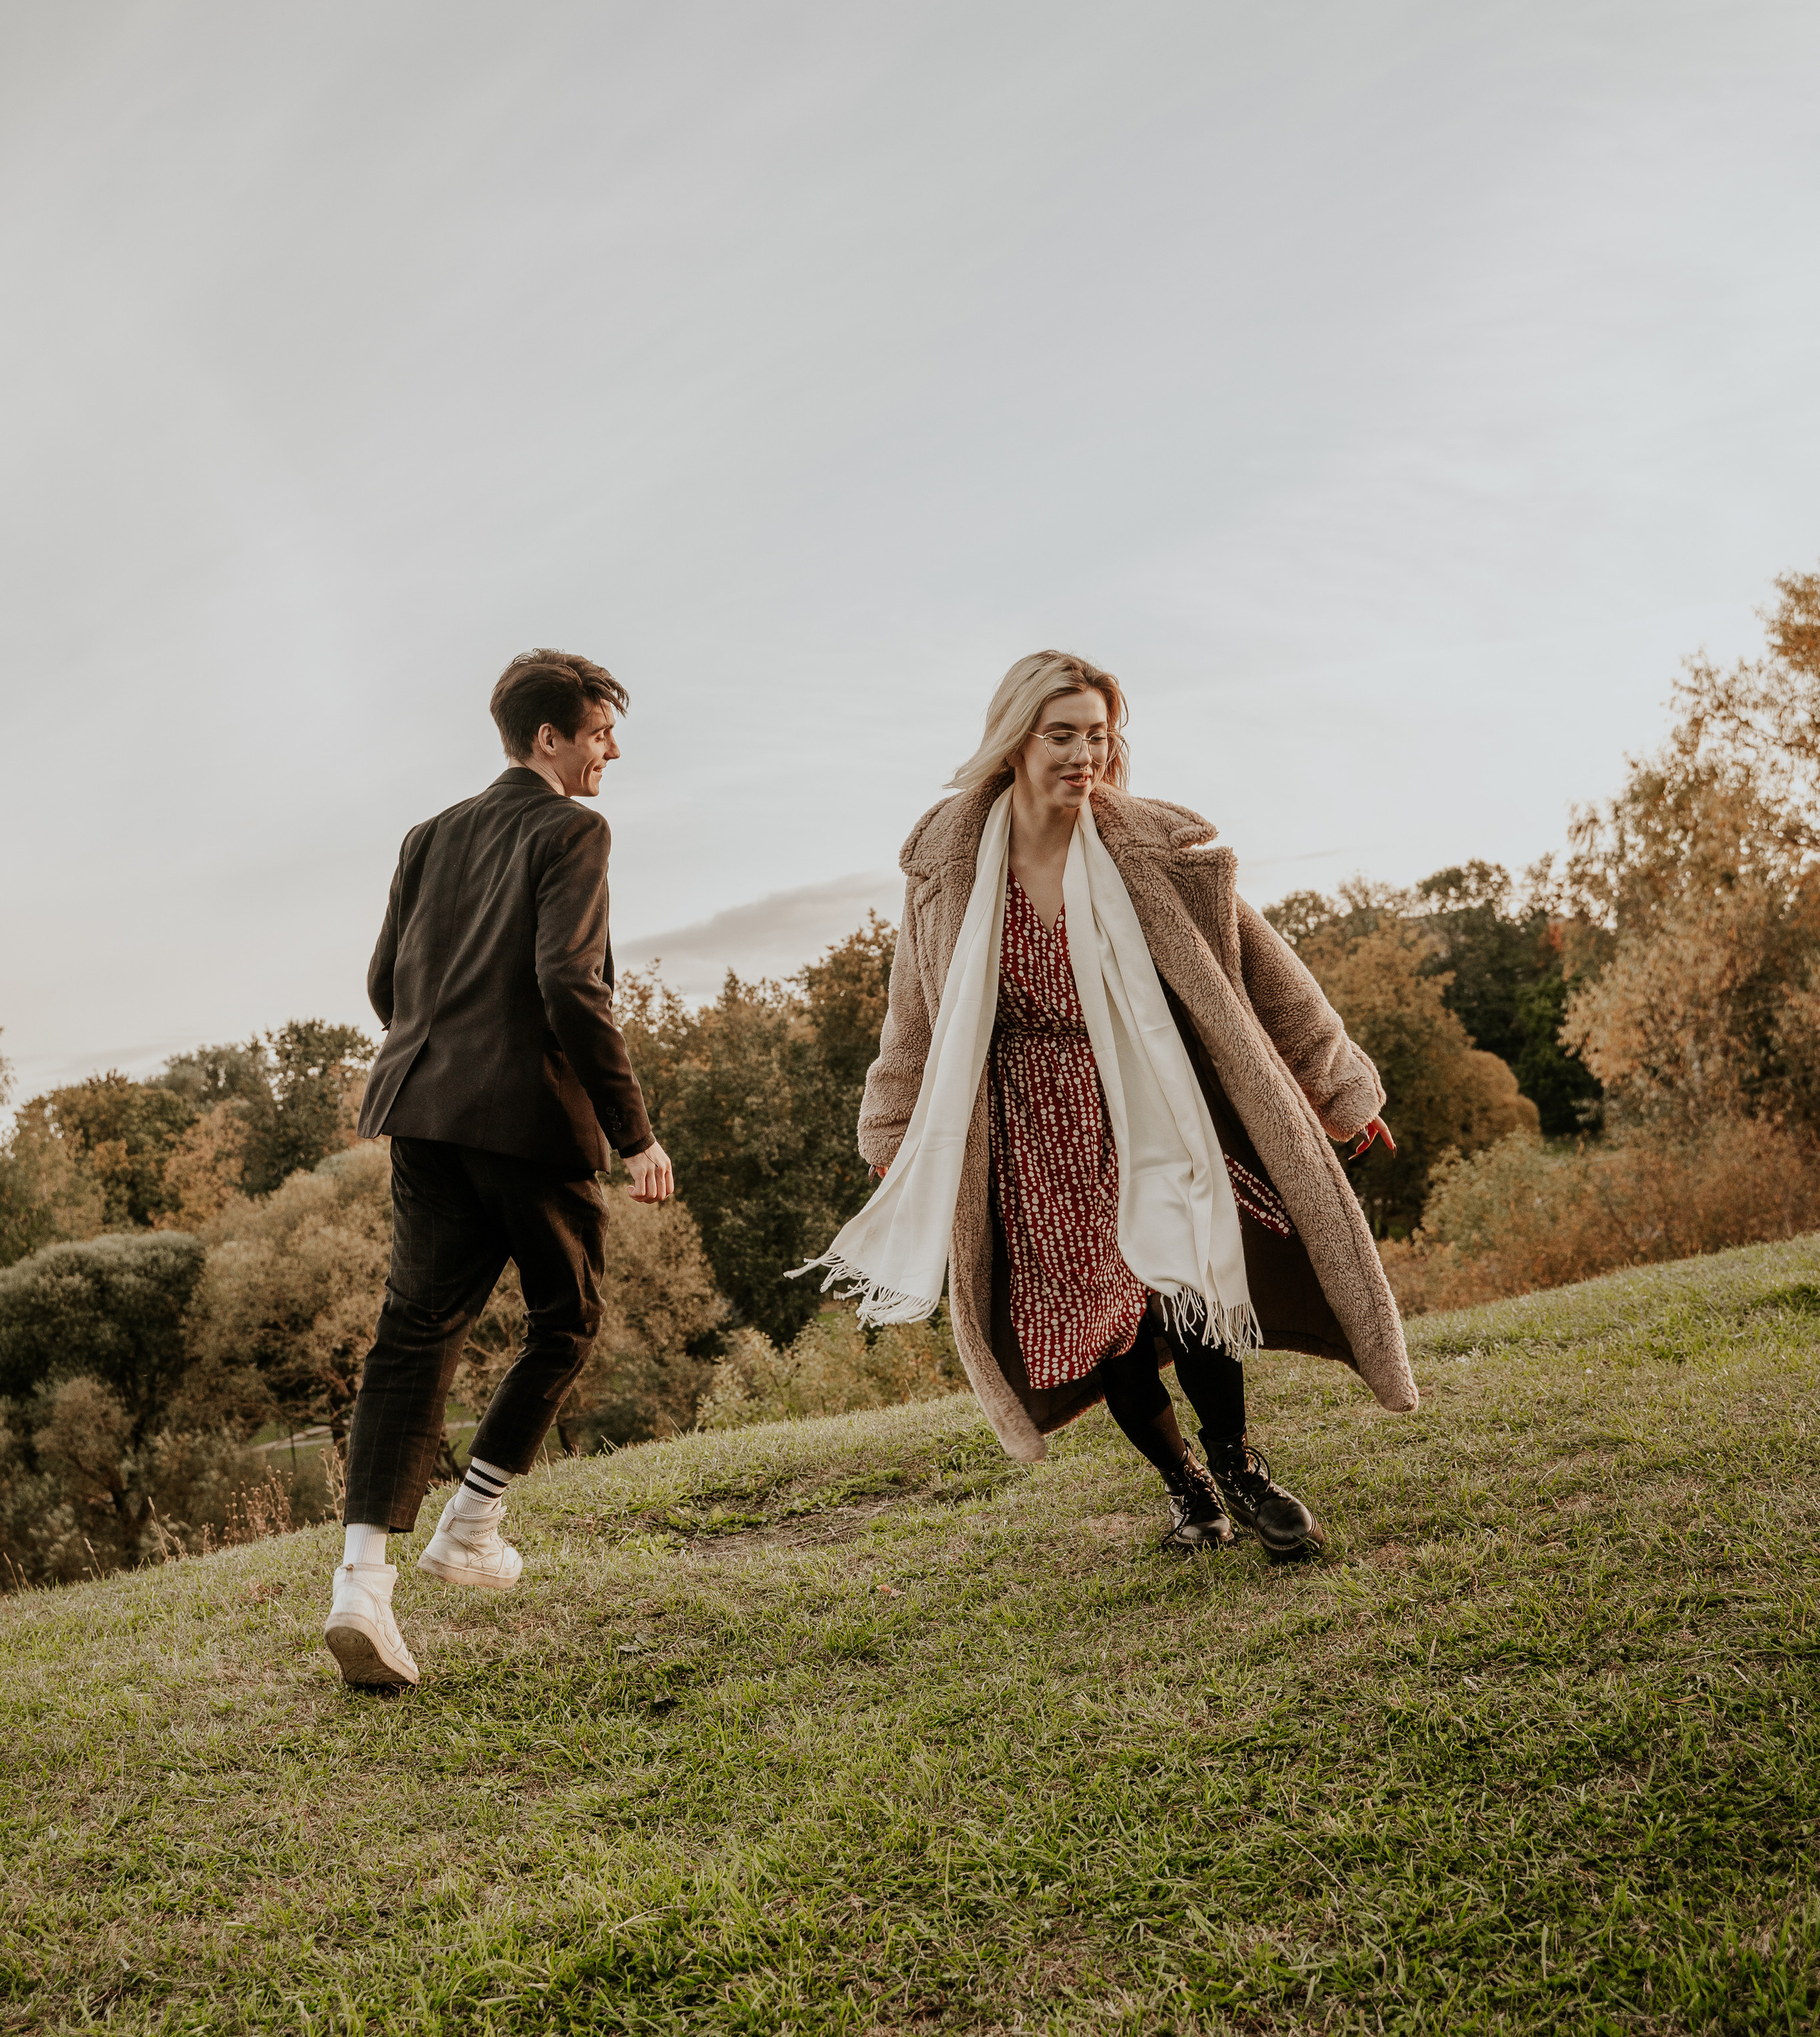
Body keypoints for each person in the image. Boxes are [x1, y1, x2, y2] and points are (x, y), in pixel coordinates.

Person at [805, 651, 1415, 1554]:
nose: (1082, 754)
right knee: (1104, 1323)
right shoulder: (949, 867)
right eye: (1061, 735)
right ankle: (1186, 1488)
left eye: (1097, 735)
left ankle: (1240, 1469)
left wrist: (1338, 1087)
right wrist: (892, 1128)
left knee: (1186, 1281)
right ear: (1015, 741)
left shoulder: (1147, 850)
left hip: (1147, 1097)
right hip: (1030, 1130)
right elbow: (914, 1014)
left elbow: (1267, 971)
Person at [325, 648, 673, 1689]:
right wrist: (634, 1132)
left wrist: (446, 1054)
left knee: (412, 1334)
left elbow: (387, 983)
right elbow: (572, 985)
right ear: (551, 737)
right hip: (525, 1118)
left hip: (422, 1111)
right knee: (566, 1317)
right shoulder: (575, 827)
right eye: (601, 729)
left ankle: (360, 1586)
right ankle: (470, 1526)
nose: (614, 747)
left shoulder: (427, 835)